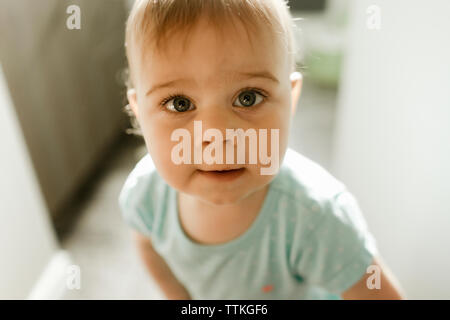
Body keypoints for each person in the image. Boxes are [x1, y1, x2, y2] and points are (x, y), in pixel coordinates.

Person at [118, 0, 404, 300]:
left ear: (290, 100)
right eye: (180, 103)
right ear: (138, 112)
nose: (217, 136)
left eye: (249, 97)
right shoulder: (145, 195)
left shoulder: (316, 218)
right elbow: (147, 244)